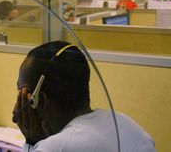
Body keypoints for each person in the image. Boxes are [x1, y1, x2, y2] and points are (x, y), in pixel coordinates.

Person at [12, 41, 155, 152]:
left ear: (38, 101)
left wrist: (33, 141)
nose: (15, 111)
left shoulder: (55, 147)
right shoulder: (126, 123)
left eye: (21, 95)